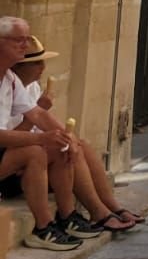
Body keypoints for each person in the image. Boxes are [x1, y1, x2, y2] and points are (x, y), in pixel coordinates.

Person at [12, 36, 141, 232]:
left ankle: (112, 207)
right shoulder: (10, 87)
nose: (43, 68)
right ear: (18, 67)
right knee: (62, 151)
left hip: (30, 150)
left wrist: (67, 137)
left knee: (79, 145)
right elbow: (11, 139)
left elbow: (42, 118)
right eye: (36, 63)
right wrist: (41, 121)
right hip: (18, 160)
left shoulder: (30, 87)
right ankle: (96, 213)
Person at [0, 18, 87, 250]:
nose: (25, 45)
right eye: (19, 39)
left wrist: (67, 137)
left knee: (62, 148)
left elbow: (38, 114)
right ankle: (43, 226)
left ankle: (67, 217)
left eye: (27, 39)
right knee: (34, 152)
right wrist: (42, 137)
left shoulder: (10, 79)